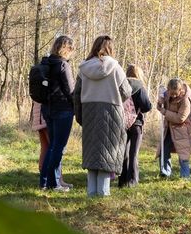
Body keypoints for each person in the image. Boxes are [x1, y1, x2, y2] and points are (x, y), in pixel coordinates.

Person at [73, 35, 132, 197]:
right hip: (111, 112)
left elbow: (76, 94)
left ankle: (91, 193)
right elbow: (126, 91)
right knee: (107, 153)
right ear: (110, 49)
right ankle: (103, 193)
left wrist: (79, 116)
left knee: (92, 153)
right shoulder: (116, 67)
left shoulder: (83, 68)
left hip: (89, 111)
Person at [39, 36, 76, 191]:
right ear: (66, 48)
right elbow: (70, 90)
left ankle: (45, 182)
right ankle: (54, 184)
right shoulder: (63, 65)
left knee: (52, 146)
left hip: (47, 108)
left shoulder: (46, 62)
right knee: (58, 147)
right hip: (62, 109)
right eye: (71, 49)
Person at [118, 64, 152, 188]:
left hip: (122, 123)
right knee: (134, 153)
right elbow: (146, 106)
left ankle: (122, 181)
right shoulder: (140, 87)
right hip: (136, 123)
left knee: (124, 152)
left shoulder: (121, 85)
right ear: (139, 74)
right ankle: (132, 180)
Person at [157, 78, 191, 179]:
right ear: (168, 90)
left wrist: (164, 112)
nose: (173, 95)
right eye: (171, 93)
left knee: (183, 153)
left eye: (175, 93)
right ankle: (165, 172)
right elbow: (161, 100)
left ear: (180, 90)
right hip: (168, 128)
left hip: (181, 130)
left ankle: (185, 176)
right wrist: (160, 102)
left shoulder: (185, 101)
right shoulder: (167, 94)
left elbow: (180, 118)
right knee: (164, 150)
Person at [31, 100, 70, 188]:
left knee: (46, 148)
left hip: (40, 114)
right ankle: (54, 180)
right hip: (45, 114)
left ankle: (47, 180)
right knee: (54, 148)